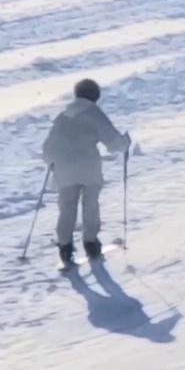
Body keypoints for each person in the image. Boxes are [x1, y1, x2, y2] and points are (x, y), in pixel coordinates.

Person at [42, 79, 131, 266]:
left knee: (67, 207)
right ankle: (91, 243)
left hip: (64, 168)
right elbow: (114, 143)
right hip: (88, 167)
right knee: (90, 204)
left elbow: (49, 145)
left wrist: (51, 161)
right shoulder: (94, 113)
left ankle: (65, 248)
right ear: (95, 95)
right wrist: (125, 143)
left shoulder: (64, 115)